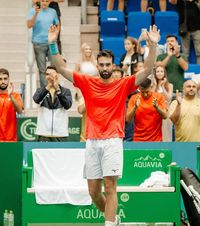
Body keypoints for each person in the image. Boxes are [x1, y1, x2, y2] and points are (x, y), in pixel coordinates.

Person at [48, 24, 160, 226]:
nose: (105, 68)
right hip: (92, 141)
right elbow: (60, 67)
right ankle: (114, 220)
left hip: (112, 141)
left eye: (108, 65)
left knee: (110, 187)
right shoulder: (86, 81)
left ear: (113, 65)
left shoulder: (123, 84)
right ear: (97, 65)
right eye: (102, 65)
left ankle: (109, 224)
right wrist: (52, 43)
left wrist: (152, 46)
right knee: (93, 192)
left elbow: (148, 70)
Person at [33, 66, 72, 141]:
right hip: (44, 134)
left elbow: (67, 105)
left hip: (60, 134)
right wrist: (49, 86)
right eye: (47, 74)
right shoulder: (41, 90)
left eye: (52, 74)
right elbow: (36, 99)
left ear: (57, 75)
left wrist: (57, 89)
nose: (49, 77)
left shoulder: (66, 91)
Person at [27, 0, 60, 87]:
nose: (44, 3)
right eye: (42, 1)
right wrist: (36, 14)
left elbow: (57, 24)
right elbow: (29, 25)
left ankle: (54, 87)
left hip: (51, 43)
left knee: (54, 67)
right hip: (38, 43)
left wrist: (56, 34)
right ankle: (45, 91)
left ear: (49, 2)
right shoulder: (33, 10)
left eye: (47, 1)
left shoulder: (53, 11)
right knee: (42, 70)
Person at [75, 43, 99, 142]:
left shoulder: (95, 62)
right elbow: (75, 79)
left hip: (94, 88)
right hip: (83, 88)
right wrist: (79, 92)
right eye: (86, 49)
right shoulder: (79, 63)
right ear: (83, 51)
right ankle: (84, 136)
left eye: (90, 49)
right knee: (83, 110)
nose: (88, 51)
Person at [0, 68, 24, 141]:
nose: (3, 81)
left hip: (11, 140)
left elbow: (19, 111)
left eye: (5, 79)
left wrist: (10, 96)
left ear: (8, 80)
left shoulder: (15, 95)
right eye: (0, 79)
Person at [152, 65, 173, 141]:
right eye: (158, 71)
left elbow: (169, 98)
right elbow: (151, 97)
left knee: (166, 133)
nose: (160, 73)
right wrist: (154, 86)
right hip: (154, 111)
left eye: (162, 71)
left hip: (165, 111)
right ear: (155, 73)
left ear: (164, 73)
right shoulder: (152, 85)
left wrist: (163, 86)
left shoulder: (169, 85)